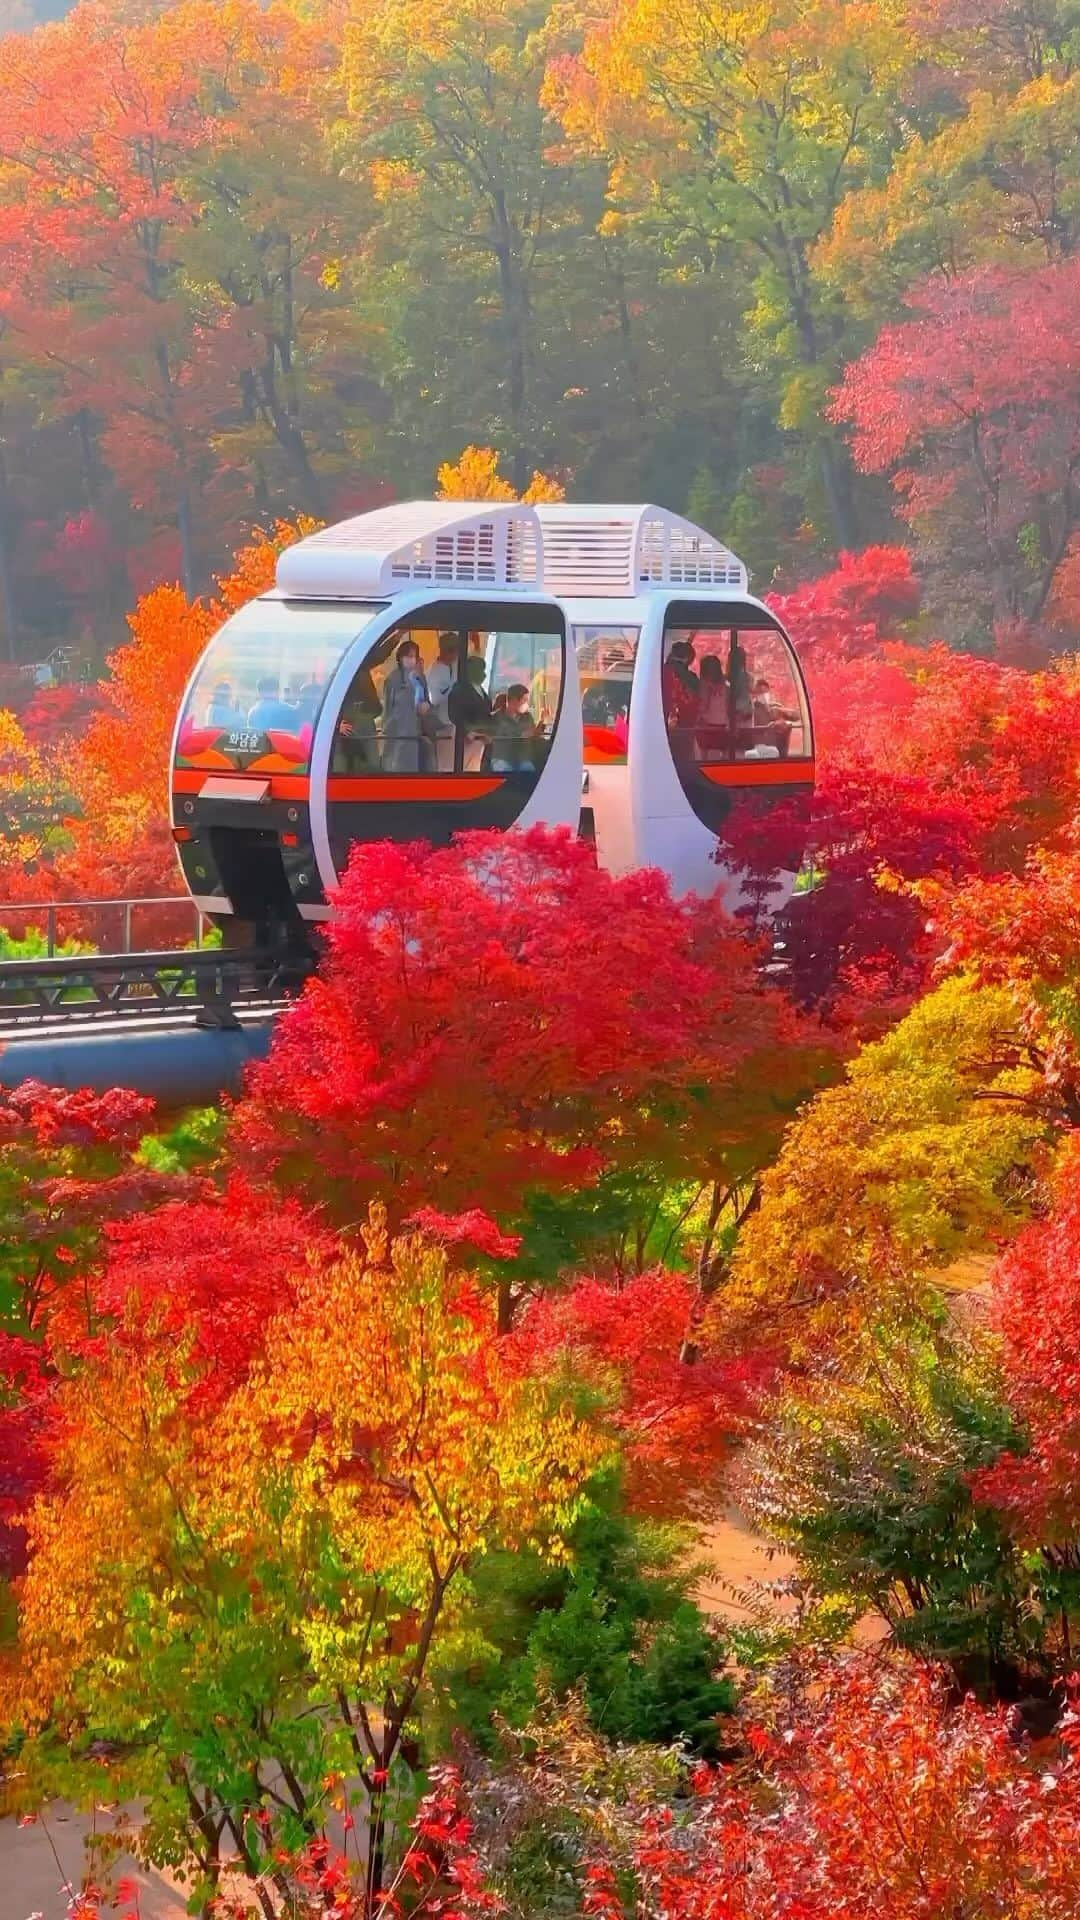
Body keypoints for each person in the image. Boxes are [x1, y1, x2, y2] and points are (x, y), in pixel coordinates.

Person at [381, 638, 433, 772]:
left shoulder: (420, 677)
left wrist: (426, 707)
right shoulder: (393, 679)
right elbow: (388, 708)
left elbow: (426, 699)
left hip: (419, 734)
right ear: (400, 657)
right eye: (407, 656)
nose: (410, 659)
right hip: (400, 734)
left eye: (413, 656)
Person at [449, 654, 494, 769]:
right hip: (467, 739)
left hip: (482, 738)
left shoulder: (481, 690)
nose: (483, 674)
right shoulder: (459, 689)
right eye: (480, 670)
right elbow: (454, 714)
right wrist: (466, 732)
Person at [426, 632, 459, 772]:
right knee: (444, 767)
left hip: (453, 724)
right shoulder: (435, 672)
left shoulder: (453, 667)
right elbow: (434, 699)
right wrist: (451, 689)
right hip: (442, 726)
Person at [490, 683, 538, 774]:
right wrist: (520, 735)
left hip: (523, 759)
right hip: (502, 759)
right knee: (504, 770)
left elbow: (534, 733)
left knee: (528, 770)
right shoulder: (496, 718)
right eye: (525, 700)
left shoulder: (528, 717)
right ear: (514, 700)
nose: (527, 704)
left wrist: (542, 722)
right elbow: (497, 737)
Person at [695, 653, 729, 760]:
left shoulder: (704, 685)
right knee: (722, 757)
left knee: (704, 758)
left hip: (706, 724)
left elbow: (703, 706)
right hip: (723, 724)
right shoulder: (727, 685)